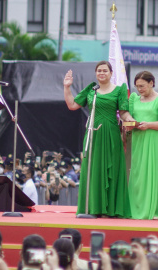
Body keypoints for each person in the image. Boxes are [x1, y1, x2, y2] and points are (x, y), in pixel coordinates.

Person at [63, 60, 133, 217]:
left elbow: (123, 112)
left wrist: (131, 119)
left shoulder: (119, 90)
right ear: (96, 73)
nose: (102, 73)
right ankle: (93, 208)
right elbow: (72, 105)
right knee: (93, 169)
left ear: (111, 73)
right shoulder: (91, 90)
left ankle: (112, 210)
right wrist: (67, 86)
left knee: (113, 169)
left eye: (105, 71)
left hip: (111, 133)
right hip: (93, 133)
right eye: (99, 71)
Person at [127, 71, 158, 220]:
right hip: (137, 140)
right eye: (137, 86)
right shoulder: (134, 99)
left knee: (152, 172)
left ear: (151, 83)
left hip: (153, 139)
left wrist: (149, 125)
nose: (140, 89)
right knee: (138, 174)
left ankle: (154, 209)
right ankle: (136, 207)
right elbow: (128, 118)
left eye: (142, 86)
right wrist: (130, 124)